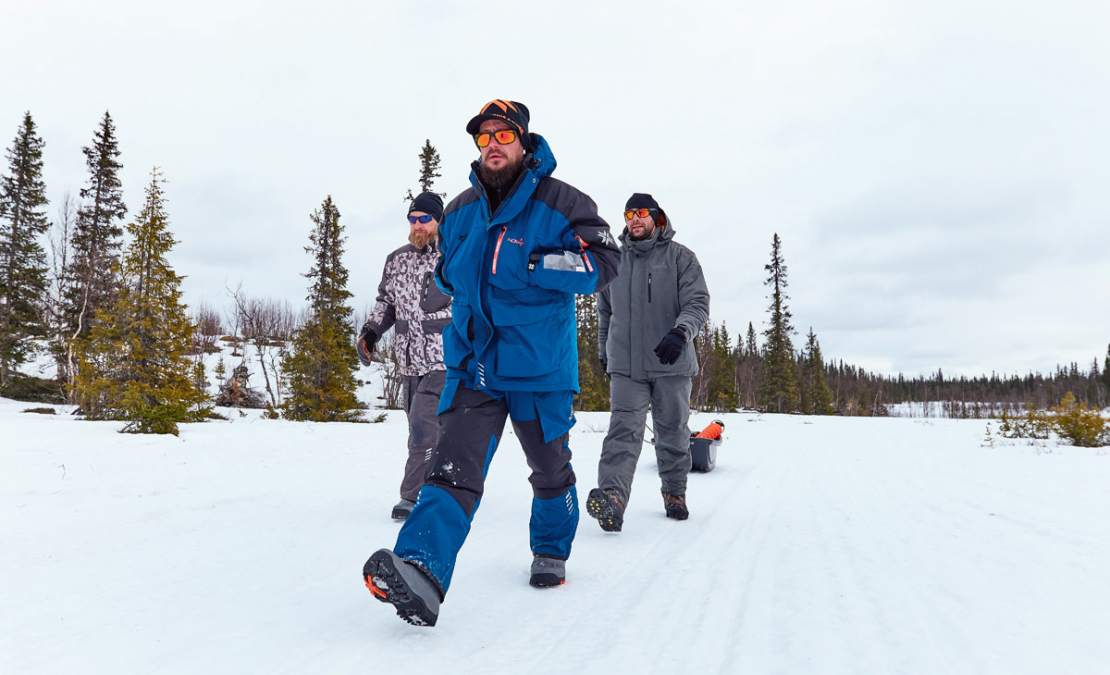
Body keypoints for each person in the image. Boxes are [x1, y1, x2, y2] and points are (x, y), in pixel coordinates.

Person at [362, 100, 620, 627]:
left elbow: (603, 261)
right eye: (484, 138)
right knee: (450, 468)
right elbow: (445, 275)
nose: (493, 144)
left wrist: (534, 264)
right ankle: (420, 571)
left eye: (504, 134)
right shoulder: (457, 212)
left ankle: (551, 548)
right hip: (473, 366)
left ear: (524, 141)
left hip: (539, 369)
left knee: (549, 470)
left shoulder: (562, 202)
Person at [586, 193, 710, 532]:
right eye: (629, 214)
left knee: (672, 432)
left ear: (657, 218)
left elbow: (698, 302)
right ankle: (612, 499)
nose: (634, 219)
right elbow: (605, 312)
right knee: (622, 432)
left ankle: (674, 493)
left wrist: (681, 333)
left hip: (671, 361)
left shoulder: (681, 257)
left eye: (641, 213)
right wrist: (603, 350)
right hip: (626, 365)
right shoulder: (615, 261)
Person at [356, 192, 451, 521]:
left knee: (422, 427)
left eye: (425, 219)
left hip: (444, 357)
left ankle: (413, 496)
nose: (418, 225)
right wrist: (370, 333)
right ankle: (449, 480)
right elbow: (386, 304)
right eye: (413, 219)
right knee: (428, 428)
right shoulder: (396, 260)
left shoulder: (452, 256)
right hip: (409, 359)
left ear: (438, 221)